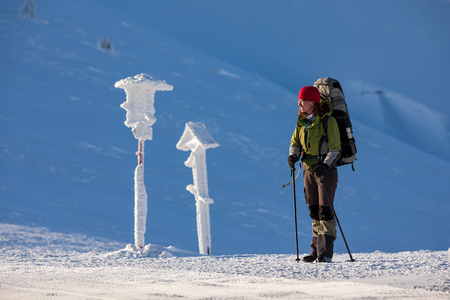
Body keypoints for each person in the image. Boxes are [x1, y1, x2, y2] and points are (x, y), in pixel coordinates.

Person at [287, 86, 341, 263]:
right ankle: (316, 250)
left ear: (313, 102)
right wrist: (293, 155)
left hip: (326, 171)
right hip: (308, 170)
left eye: (303, 101)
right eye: (299, 101)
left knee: (325, 210)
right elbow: (295, 141)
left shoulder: (328, 121)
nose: (300, 104)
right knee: (314, 210)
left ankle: (325, 252)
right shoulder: (302, 121)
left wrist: (325, 166)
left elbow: (335, 148)